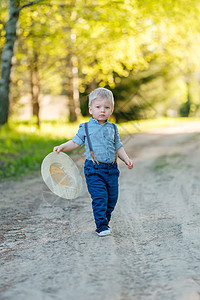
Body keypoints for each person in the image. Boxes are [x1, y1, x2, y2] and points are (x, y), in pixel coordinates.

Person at [53, 87, 133, 237]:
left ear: (111, 110)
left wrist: (126, 159)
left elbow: (118, 146)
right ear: (91, 109)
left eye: (106, 107)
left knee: (112, 199)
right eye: (98, 107)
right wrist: (62, 147)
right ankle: (101, 225)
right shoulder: (86, 127)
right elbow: (75, 142)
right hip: (94, 170)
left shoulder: (113, 128)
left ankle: (105, 220)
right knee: (100, 197)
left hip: (112, 170)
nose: (102, 110)